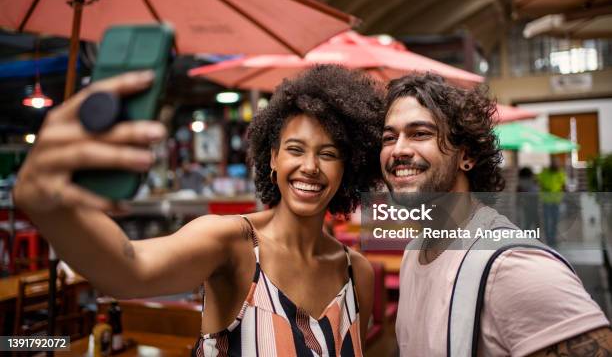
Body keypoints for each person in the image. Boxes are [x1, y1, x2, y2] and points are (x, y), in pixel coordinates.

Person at [13, 65, 383, 355]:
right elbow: (128, 269)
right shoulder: (232, 242)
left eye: (329, 153)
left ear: (347, 169)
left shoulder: (356, 273)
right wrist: (53, 207)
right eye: (296, 149)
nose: (310, 166)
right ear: (272, 158)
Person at [379, 73, 610, 356]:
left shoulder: (514, 267)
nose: (398, 149)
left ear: (467, 156)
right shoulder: (414, 253)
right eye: (389, 137)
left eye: (420, 133)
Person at [538, 157, 566, 247]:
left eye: (557, 163)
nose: (556, 165)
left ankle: (553, 239)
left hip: (556, 201)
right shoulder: (545, 172)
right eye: (554, 163)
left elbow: (563, 185)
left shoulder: (560, 172)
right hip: (546, 201)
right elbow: (540, 182)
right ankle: (548, 239)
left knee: (555, 221)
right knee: (547, 221)